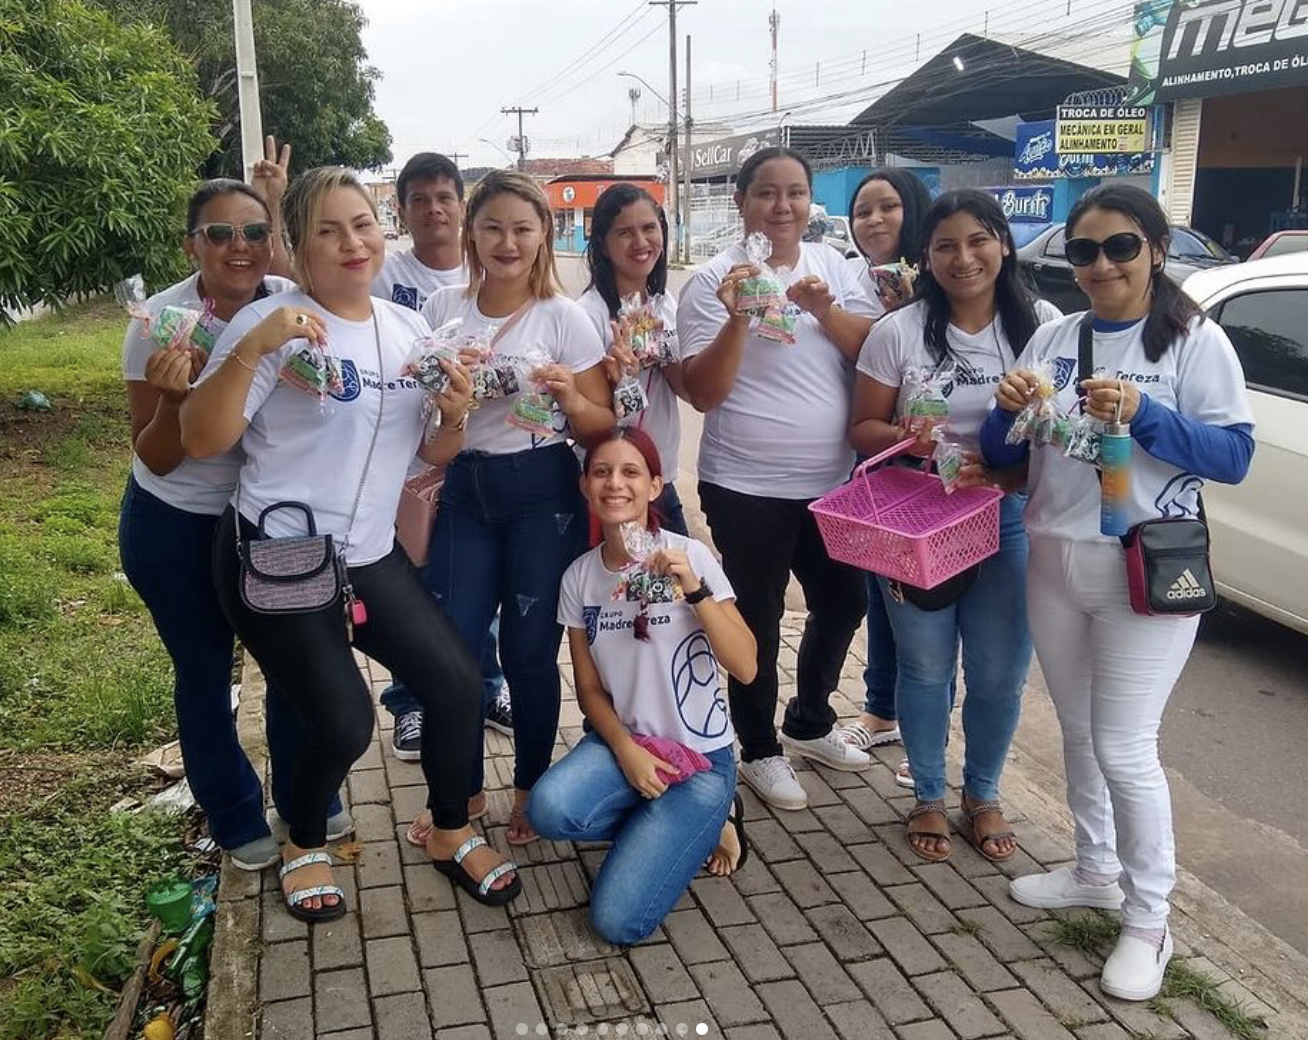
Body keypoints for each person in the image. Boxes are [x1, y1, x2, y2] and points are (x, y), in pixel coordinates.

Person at [181, 166, 521, 920]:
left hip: (367, 556)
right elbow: (201, 439)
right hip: (277, 555)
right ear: (298, 246)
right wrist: (254, 345)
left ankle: (448, 827)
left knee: (458, 684)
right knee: (342, 720)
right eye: (328, 230)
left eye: (362, 224)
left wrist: (456, 416)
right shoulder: (271, 324)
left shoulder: (407, 333)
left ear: (381, 229)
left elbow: (432, 453)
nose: (351, 243)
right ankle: (303, 840)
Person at [981, 183, 1254, 1000]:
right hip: (1055, 558)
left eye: (1120, 247)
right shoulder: (1056, 337)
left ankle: (1149, 919)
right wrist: (1006, 408)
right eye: (1084, 250)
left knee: (1126, 746)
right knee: (1075, 728)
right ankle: (1095, 869)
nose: (1101, 265)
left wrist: (1143, 414)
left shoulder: (1194, 343)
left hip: (1144, 567)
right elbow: (1006, 450)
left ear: (1158, 250)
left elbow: (1234, 457)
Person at [118, 176, 353, 872]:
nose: (238, 247)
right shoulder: (159, 325)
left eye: (254, 232)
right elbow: (156, 458)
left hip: (263, 522)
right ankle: (234, 813)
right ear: (192, 245)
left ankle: (304, 793)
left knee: (288, 662)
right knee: (201, 671)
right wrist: (171, 398)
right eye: (218, 234)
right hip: (177, 524)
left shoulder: (288, 306)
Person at [851, 188, 1060, 864]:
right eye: (945, 246)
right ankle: (930, 796)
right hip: (916, 522)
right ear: (925, 256)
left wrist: (1008, 471)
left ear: (1003, 243)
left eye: (978, 241)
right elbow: (862, 429)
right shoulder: (898, 332)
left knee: (999, 672)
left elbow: (1063, 433)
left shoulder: (1046, 327)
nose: (963, 258)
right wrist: (908, 435)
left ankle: (984, 793)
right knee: (926, 666)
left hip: (1010, 519)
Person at [677, 146, 878, 811]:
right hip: (745, 486)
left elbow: (872, 354)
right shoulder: (710, 279)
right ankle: (758, 748)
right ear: (741, 202)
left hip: (832, 484)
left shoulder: (836, 269)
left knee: (846, 600)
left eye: (795, 192)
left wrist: (822, 308)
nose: (783, 206)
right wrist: (738, 316)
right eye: (767, 192)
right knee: (756, 622)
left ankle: (810, 721)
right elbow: (703, 394)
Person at [421, 169, 615, 846]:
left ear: (544, 236)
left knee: (531, 654)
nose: (508, 241)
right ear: (471, 232)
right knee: (455, 651)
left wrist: (566, 395)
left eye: (523, 228)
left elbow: (600, 424)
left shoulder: (565, 318)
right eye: (494, 226)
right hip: (463, 494)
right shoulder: (443, 308)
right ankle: (462, 790)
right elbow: (418, 408)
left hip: (542, 496)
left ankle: (530, 783)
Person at [528, 428, 757, 943]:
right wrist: (626, 750)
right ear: (586, 486)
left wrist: (693, 590)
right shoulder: (580, 578)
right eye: (602, 472)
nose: (615, 484)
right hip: (628, 746)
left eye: (631, 472)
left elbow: (746, 667)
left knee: (617, 923)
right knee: (549, 809)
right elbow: (589, 690)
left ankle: (713, 815)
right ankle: (675, 825)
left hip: (700, 760)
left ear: (655, 486)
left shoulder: (688, 556)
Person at [369, 152, 513, 764]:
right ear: (401, 210)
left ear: (463, 206)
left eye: (444, 197)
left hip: (480, 462)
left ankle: (487, 686)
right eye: (419, 198)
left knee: (479, 586)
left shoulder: (486, 276)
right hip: (411, 462)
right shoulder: (385, 274)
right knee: (417, 587)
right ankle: (412, 702)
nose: (434, 209)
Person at [836, 168, 934, 781]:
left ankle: (926, 730)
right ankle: (881, 711)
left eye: (888, 208)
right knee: (883, 591)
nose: (873, 221)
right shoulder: (855, 277)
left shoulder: (941, 274)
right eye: (863, 210)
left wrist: (912, 308)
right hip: (878, 455)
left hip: (938, 463)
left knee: (929, 599)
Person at [576, 183, 688, 535]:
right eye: (625, 232)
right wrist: (617, 376)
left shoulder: (664, 304)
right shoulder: (587, 315)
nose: (641, 242)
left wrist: (660, 351)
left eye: (649, 228)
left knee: (677, 584)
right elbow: (581, 419)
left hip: (660, 477)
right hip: (611, 485)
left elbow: (688, 390)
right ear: (604, 245)